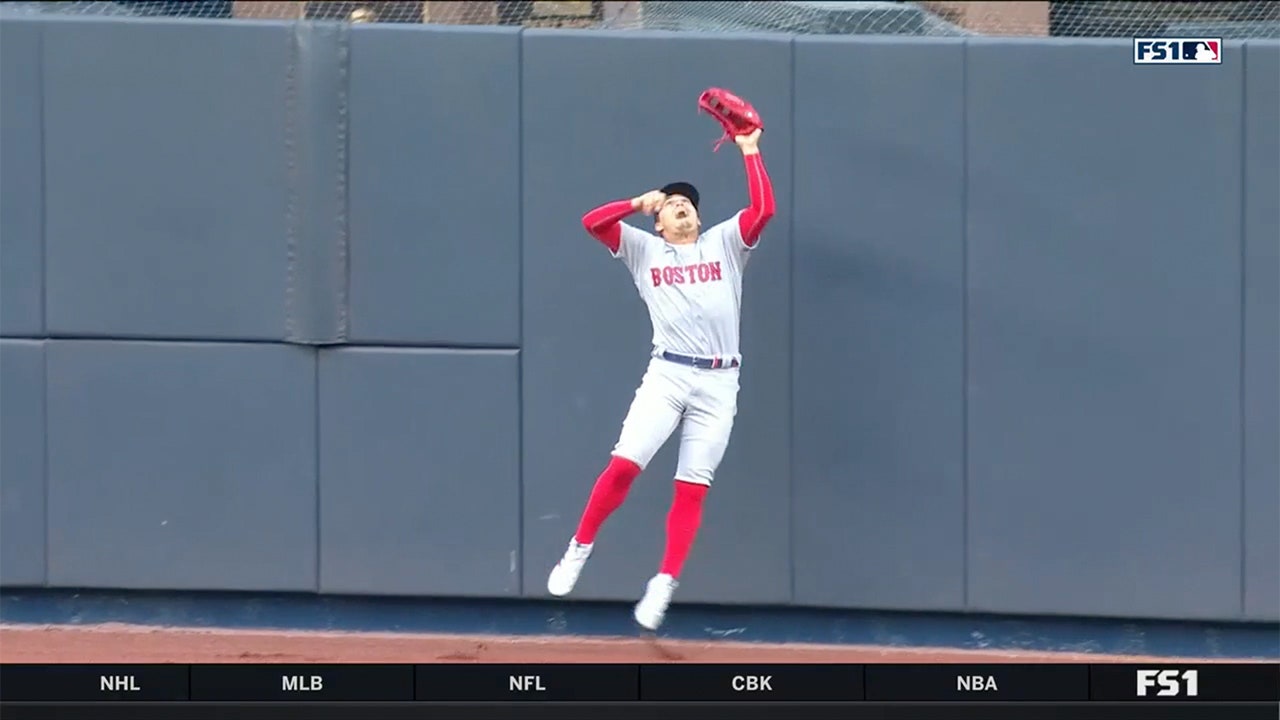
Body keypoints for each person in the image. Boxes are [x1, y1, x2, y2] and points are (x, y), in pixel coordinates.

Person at [546, 127, 775, 631]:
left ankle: (664, 582)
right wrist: (635, 202)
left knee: (691, 488)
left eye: (688, 203)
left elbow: (763, 212)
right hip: (668, 374)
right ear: (659, 222)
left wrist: (750, 149)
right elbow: (592, 223)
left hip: (719, 384)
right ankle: (578, 549)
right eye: (672, 204)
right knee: (625, 467)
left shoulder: (725, 243)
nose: (683, 208)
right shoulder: (643, 251)